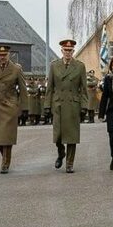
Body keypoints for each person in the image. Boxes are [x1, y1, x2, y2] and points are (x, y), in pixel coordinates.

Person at [45, 39, 90, 173]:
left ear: (73, 51)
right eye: (66, 50)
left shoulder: (80, 66)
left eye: (70, 50)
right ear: (62, 51)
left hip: (73, 104)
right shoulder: (54, 66)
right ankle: (61, 153)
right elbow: (50, 87)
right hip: (58, 104)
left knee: (71, 136)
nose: (68, 53)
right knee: (58, 136)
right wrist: (47, 105)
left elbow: (84, 88)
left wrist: (84, 106)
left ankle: (69, 164)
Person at [0, 44, 27, 173]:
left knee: (6, 136)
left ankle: (5, 162)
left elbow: (23, 90)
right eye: (0, 55)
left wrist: (24, 108)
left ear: (9, 55)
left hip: (9, 105)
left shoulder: (16, 69)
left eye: (5, 55)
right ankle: (5, 157)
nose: (2, 57)